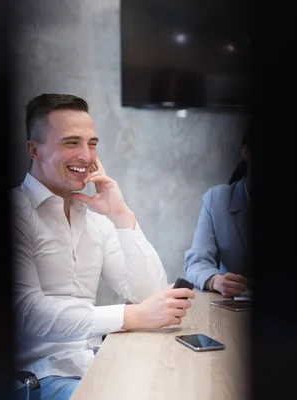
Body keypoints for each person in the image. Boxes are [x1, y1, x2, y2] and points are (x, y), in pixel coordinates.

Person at [12, 93, 195, 400]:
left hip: (94, 362)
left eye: (92, 143)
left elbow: (150, 295)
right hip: (38, 377)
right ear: (34, 150)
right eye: (71, 142)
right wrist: (130, 316)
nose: (86, 155)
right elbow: (27, 313)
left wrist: (121, 213)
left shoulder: (95, 220)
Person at [184, 129, 252, 297]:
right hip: (232, 306)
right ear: (246, 153)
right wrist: (215, 280)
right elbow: (196, 261)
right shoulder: (217, 200)